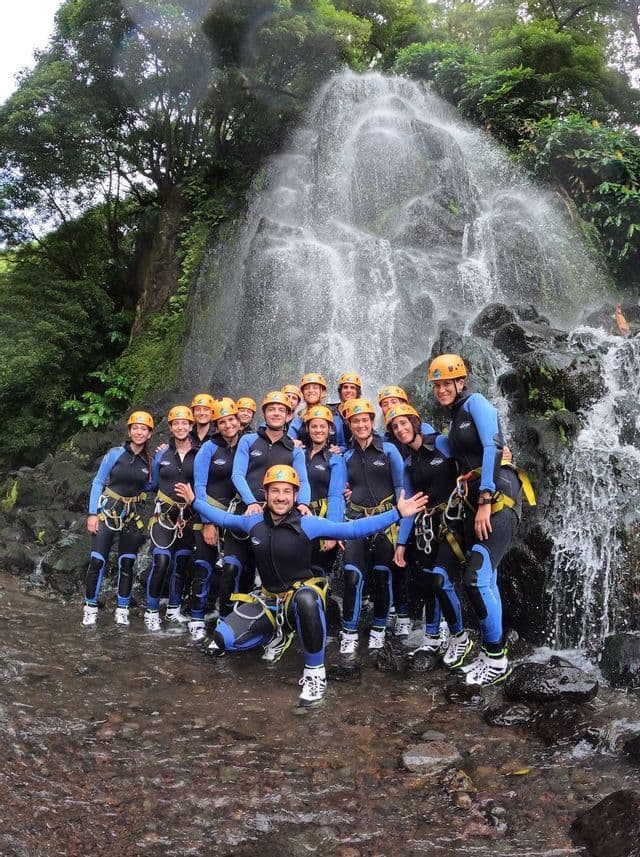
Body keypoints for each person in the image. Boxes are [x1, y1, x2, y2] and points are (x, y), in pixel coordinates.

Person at [193, 464, 429, 707]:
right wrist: (193, 501)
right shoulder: (253, 523)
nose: (281, 497)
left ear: (295, 496)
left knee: (306, 598)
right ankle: (278, 634)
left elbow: (353, 529)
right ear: (266, 493)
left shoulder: (308, 523)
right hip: (270, 601)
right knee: (224, 639)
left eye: (287, 491)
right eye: (275, 491)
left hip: (301, 599)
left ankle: (315, 673)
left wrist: (397, 514)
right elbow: (221, 517)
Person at [428, 354, 535, 685]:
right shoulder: (455, 420)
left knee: (476, 578)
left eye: (447, 383)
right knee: (484, 578)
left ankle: (496, 660)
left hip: (498, 497)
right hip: (474, 501)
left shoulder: (477, 403)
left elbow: (492, 445)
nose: (441, 389)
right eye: (437, 385)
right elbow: (432, 446)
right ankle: (491, 654)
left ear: (461, 382)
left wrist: (486, 498)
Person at [389, 403, 470, 668]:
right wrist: (401, 543)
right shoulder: (409, 463)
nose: (400, 429)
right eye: (395, 426)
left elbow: (471, 456)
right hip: (427, 527)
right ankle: (432, 636)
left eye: (403, 423)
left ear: (415, 422)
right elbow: (410, 507)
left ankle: (459, 637)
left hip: (453, 523)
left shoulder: (443, 443)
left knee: (439, 579)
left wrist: (501, 455)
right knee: (427, 583)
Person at [223, 391, 311, 617]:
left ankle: (271, 620)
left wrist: (304, 504)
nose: (276, 413)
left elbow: (302, 480)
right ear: (264, 413)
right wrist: (251, 501)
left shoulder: (294, 448)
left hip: (279, 517)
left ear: (289, 415)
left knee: (269, 571)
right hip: (248, 512)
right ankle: (227, 618)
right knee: (233, 566)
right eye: (271, 409)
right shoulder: (248, 440)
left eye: (281, 409)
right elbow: (237, 474)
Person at [336, 398, 405, 662]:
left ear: (372, 421)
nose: (361, 424)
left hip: (386, 523)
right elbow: (339, 492)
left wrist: (401, 524)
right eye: (356, 421)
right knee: (353, 576)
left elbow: (400, 487)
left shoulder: (389, 451)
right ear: (349, 424)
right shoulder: (347, 456)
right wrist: (338, 527)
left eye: (365, 420)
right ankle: (349, 632)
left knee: (382, 576)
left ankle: (378, 629)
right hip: (355, 522)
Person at [82, 411, 154, 627]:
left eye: (144, 429)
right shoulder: (114, 454)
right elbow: (97, 482)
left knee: (127, 562)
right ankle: (90, 607)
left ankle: (122, 609)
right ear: (129, 431)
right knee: (97, 560)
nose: (139, 432)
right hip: (108, 512)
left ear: (150, 434)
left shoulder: (150, 461)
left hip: (133, 516)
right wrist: (92, 514)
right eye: (135, 428)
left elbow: (152, 485)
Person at [190, 397, 242, 641]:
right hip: (210, 514)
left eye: (231, 419)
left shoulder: (246, 445)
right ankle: (197, 618)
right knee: (204, 567)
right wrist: (207, 521)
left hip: (234, 519)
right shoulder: (209, 448)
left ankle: (226, 618)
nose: (228, 425)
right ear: (216, 425)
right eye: (222, 422)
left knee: (231, 569)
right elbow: (199, 486)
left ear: (239, 420)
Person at [145, 406, 198, 631]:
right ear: (170, 427)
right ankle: (151, 611)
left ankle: (174, 609)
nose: (180, 426)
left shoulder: (200, 452)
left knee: (181, 563)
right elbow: (152, 484)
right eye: (176, 423)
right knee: (162, 562)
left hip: (188, 516)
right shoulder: (162, 453)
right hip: (163, 514)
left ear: (191, 426)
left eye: (184, 423)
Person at [301, 405, 346, 577]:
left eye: (322, 426)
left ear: (330, 429)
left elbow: (336, 496)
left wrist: (332, 531)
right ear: (307, 428)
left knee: (318, 573)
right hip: (299, 521)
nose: (318, 430)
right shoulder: (299, 454)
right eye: (314, 426)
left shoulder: (335, 459)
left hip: (322, 522)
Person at [288, 373, 346, 449]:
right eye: (307, 388)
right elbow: (288, 440)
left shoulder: (334, 417)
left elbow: (343, 445)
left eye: (315, 388)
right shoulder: (298, 420)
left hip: (329, 459)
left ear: (323, 392)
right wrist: (292, 443)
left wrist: (339, 449)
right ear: (303, 393)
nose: (311, 390)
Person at [328, 372, 362, 448]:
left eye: (352, 387)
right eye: (345, 387)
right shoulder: (329, 410)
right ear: (340, 391)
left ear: (357, 392)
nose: (348, 390)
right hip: (333, 451)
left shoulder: (362, 412)